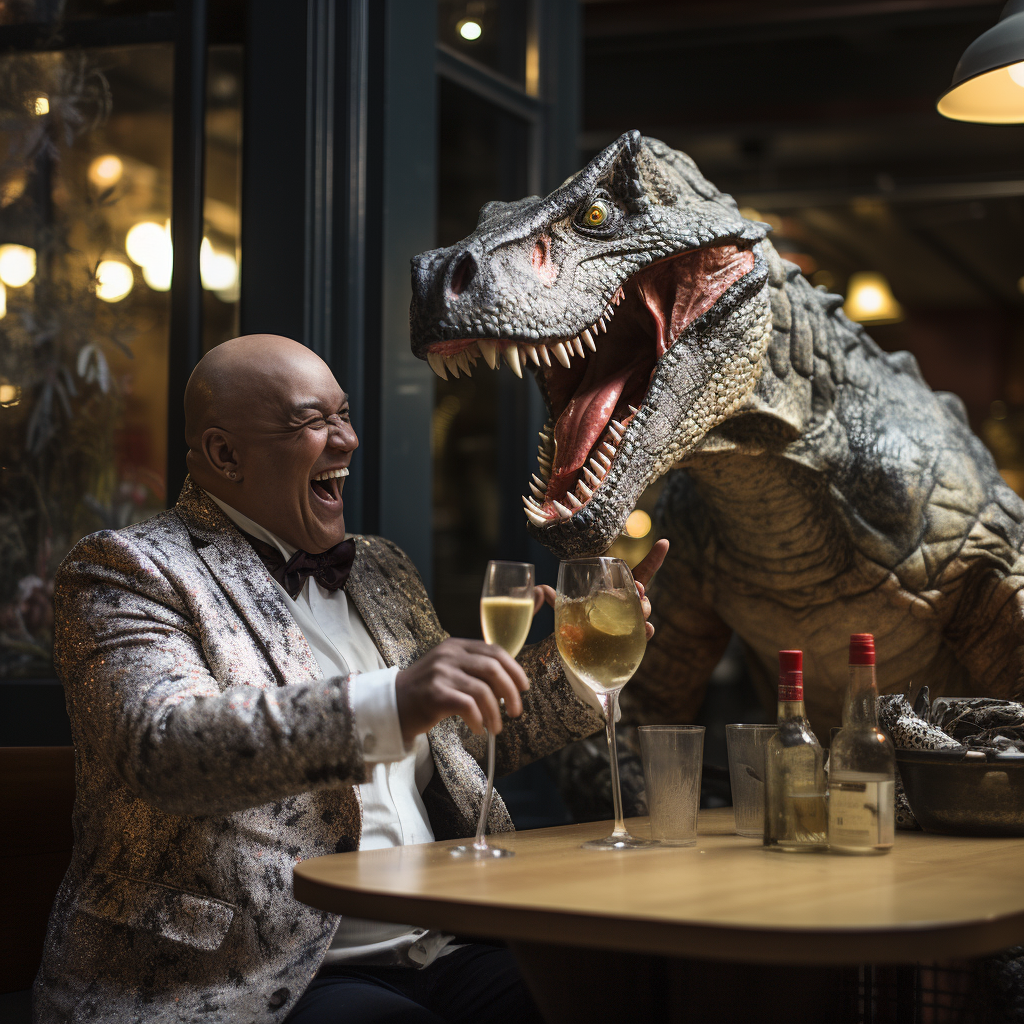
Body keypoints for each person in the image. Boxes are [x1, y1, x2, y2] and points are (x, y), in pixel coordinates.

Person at [34, 334, 668, 1023]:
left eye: (345, 415)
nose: (350, 439)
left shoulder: (380, 566)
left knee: (623, 998)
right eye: (315, 421)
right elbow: (166, 749)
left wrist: (583, 658)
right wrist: (394, 698)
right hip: (255, 975)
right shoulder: (126, 572)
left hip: (442, 946)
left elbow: (459, 742)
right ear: (224, 455)